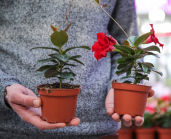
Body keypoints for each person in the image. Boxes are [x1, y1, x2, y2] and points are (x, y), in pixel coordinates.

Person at [0, 0, 154, 138]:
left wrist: (123, 86)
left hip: (99, 129)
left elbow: (128, 44)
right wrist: (4, 87)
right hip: (10, 129)